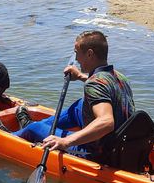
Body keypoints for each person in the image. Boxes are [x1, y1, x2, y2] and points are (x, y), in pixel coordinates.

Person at [13, 30, 134, 159]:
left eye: (77, 53)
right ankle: (36, 126)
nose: (76, 59)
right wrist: (81, 76)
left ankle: (13, 135)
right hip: (120, 144)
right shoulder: (119, 77)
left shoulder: (94, 84)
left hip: (96, 152)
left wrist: (65, 142)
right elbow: (103, 88)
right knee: (80, 106)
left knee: (34, 128)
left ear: (89, 54)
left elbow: (106, 122)